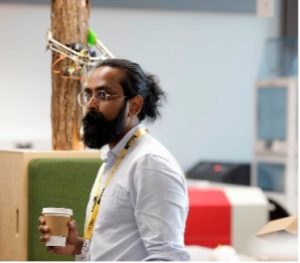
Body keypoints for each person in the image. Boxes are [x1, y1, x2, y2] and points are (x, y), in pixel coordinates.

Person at [39, 58, 190, 261]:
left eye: (103, 94)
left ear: (134, 106)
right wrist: (78, 246)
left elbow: (168, 257)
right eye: (88, 94)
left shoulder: (150, 163)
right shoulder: (114, 159)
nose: (91, 104)